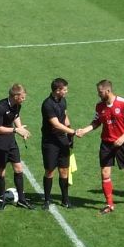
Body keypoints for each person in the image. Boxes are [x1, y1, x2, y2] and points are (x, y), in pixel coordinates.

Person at [74, 79, 124, 213]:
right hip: (106, 143)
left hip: (122, 143)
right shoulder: (99, 106)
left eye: (100, 92)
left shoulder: (123, 103)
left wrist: (122, 137)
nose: (98, 95)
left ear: (108, 91)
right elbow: (96, 122)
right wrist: (84, 130)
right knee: (105, 173)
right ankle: (109, 204)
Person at [0, 83, 34, 209]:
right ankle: (1, 199)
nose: (24, 99)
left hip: (10, 141)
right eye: (23, 97)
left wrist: (21, 129)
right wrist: (15, 130)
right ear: (15, 96)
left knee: (19, 168)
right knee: (1, 171)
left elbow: (16, 116)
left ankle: (21, 199)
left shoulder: (17, 105)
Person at [40, 77, 77, 210]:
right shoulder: (47, 104)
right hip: (50, 142)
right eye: (65, 89)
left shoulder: (63, 100)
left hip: (62, 140)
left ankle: (65, 199)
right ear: (57, 90)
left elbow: (64, 116)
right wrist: (73, 131)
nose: (66, 92)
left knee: (64, 170)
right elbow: (55, 124)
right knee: (50, 170)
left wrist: (69, 131)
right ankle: (47, 200)